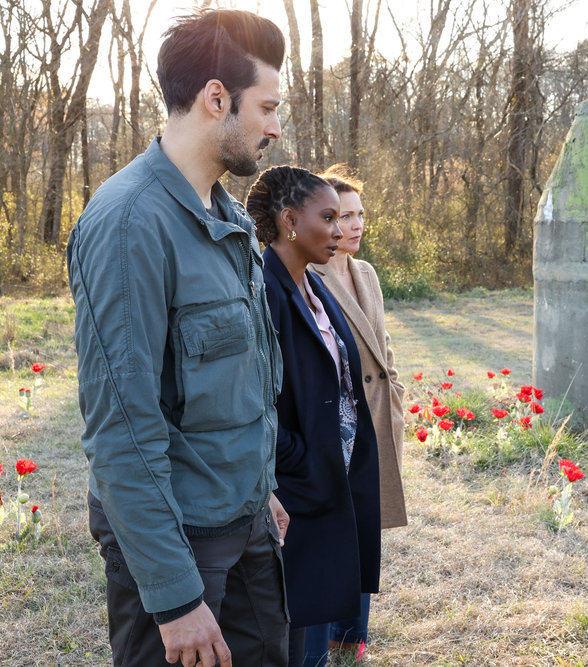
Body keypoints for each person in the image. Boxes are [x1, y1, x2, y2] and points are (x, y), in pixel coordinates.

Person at [67, 10, 288, 666]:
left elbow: (238, 381)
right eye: (268, 107)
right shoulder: (129, 224)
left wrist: (261, 490)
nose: (275, 127)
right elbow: (122, 431)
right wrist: (173, 597)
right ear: (215, 97)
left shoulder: (226, 216)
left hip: (243, 521)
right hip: (177, 545)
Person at [246, 166, 382, 667]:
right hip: (300, 482)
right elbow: (256, 397)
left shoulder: (314, 286)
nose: (339, 228)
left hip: (335, 473)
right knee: (297, 625)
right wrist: (298, 461)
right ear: (288, 221)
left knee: (321, 616)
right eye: (327, 217)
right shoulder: (265, 290)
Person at [303, 167, 408, 662]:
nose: (356, 224)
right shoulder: (310, 272)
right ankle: (325, 634)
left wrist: (398, 393)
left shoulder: (366, 273)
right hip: (342, 421)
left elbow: (382, 345)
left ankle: (352, 633)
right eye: (343, 215)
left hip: (380, 416)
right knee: (334, 529)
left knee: (365, 524)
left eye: (360, 214)